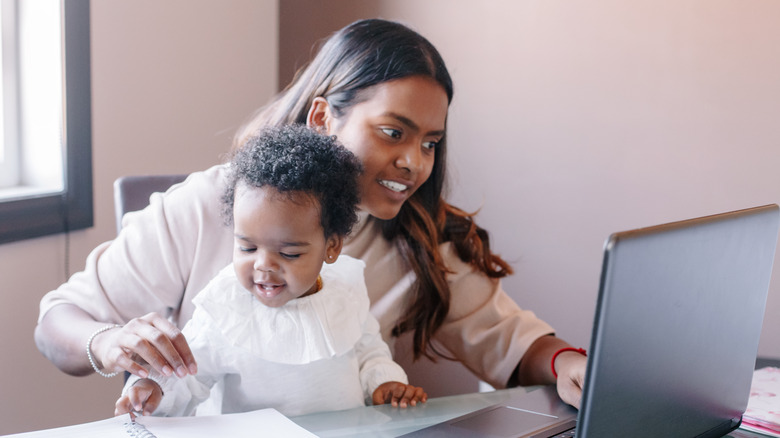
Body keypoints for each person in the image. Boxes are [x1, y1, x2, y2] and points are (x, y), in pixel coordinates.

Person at [34, 18, 587, 409]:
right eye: (393, 132)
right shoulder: (205, 205)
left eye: (430, 143)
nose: (414, 163)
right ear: (323, 116)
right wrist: (106, 343)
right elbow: (57, 323)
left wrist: (567, 364)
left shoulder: (418, 238)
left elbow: (512, 342)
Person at [114, 125, 426, 418]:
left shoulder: (345, 290)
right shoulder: (226, 309)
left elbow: (369, 350)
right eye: (247, 248)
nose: (263, 265)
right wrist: (152, 390)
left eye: (289, 253)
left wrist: (384, 383)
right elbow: (186, 377)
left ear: (331, 246)